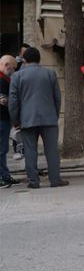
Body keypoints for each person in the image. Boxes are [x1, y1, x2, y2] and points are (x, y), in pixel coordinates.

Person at [8, 47, 69, 189]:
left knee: (30, 150)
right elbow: (57, 97)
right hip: (49, 119)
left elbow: (13, 101)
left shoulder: (17, 76)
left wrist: (15, 120)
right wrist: (54, 114)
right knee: (52, 150)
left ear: (24, 59)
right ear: (39, 59)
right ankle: (55, 179)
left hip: (27, 119)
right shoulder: (50, 73)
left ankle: (34, 181)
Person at [0, 55, 21, 188]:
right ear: (6, 65)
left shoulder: (5, 78)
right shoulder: (2, 80)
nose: (14, 70)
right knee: (1, 150)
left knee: (3, 149)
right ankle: (2, 177)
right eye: (13, 67)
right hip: (1, 119)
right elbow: (3, 100)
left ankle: (5, 175)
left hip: (3, 119)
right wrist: (16, 102)